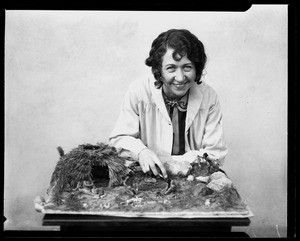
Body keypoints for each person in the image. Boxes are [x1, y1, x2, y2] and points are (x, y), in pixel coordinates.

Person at [109, 29, 228, 179]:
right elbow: (119, 139)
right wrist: (141, 152)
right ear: (159, 70)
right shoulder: (139, 91)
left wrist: (176, 163)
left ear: (197, 68)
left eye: (187, 67)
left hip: (194, 177)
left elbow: (215, 153)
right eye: (171, 68)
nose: (180, 77)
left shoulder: (209, 97)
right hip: (148, 175)